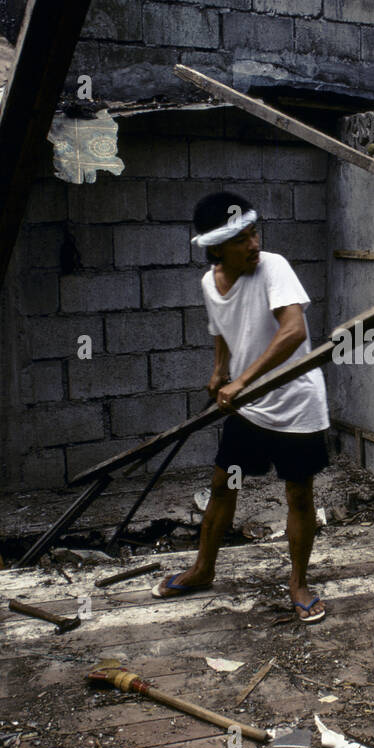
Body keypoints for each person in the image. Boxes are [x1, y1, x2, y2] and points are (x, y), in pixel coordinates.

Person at [151, 191, 331, 623]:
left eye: (254, 233)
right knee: (222, 484)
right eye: (241, 239)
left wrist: (242, 380)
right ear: (216, 249)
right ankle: (202, 569)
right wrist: (220, 368)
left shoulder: (273, 266)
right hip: (249, 409)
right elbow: (220, 326)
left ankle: (299, 584)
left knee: (299, 496)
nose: (253, 244)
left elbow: (292, 331)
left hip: (294, 406)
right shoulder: (209, 283)